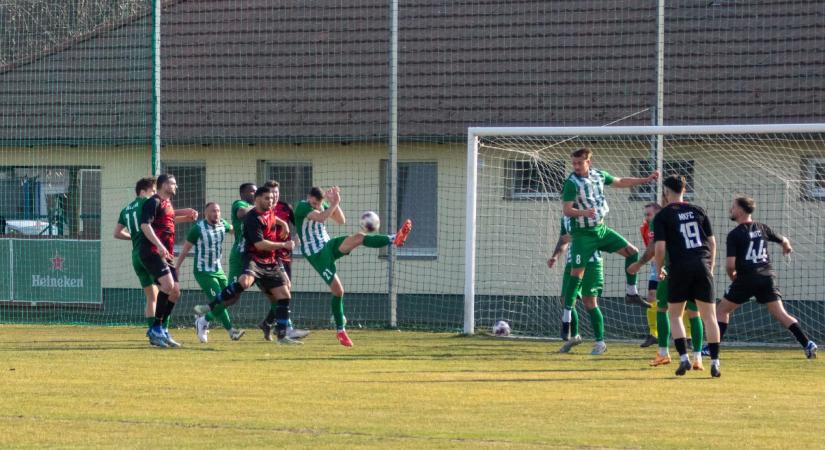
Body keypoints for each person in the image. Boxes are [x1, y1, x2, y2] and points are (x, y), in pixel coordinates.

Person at [294, 186, 412, 347]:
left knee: (359, 237)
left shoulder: (322, 206)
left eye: (317, 203)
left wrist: (334, 202)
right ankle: (340, 331)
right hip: (316, 254)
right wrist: (333, 203)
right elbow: (321, 218)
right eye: (313, 203)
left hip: (328, 245)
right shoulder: (302, 206)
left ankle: (394, 239)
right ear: (308, 197)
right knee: (338, 291)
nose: (314, 205)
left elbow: (341, 220)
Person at [560, 147, 656, 332]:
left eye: (579, 163)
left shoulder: (599, 175)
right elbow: (567, 210)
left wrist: (646, 179)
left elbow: (621, 181)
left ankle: (631, 292)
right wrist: (583, 212)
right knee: (576, 274)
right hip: (583, 234)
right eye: (574, 163)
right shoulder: (571, 183)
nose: (576, 166)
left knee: (632, 252)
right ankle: (566, 317)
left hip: (601, 230)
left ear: (589, 162)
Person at [714, 196, 817, 359]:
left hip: (746, 278)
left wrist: (733, 277)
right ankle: (807, 343)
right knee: (781, 314)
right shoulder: (762, 228)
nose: (730, 210)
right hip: (767, 277)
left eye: (733, 207)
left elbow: (730, 265)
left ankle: (712, 349)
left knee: (721, 310)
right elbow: (784, 240)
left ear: (740, 210)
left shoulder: (735, 234)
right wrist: (787, 247)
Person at [194, 186, 299, 344]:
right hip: (245, 257)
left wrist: (283, 222)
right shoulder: (241, 206)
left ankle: (281, 330)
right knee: (236, 294)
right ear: (248, 195)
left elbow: (237, 225)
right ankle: (205, 317)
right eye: (252, 191)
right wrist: (283, 243)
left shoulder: (266, 212)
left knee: (281, 295)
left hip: (266, 259)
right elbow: (243, 215)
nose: (271, 200)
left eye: (272, 198)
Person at [653, 175, 721, 377]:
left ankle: (683, 359)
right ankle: (715, 363)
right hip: (702, 265)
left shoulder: (663, 215)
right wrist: (711, 266)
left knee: (674, 315)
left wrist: (659, 269)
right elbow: (712, 242)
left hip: (679, 267)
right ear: (684, 189)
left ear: (666, 191)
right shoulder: (698, 210)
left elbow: (659, 247)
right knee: (709, 317)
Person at [629, 202, 705, 369]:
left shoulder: (662, 219)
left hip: (672, 270)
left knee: (664, 309)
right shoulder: (694, 213)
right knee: (694, 312)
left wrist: (645, 265)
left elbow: (656, 248)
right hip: (696, 267)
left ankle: (664, 353)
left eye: (649, 214)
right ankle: (698, 358)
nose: (646, 218)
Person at [175, 202, 245, 343]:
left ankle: (203, 319)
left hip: (218, 270)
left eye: (218, 211)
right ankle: (230, 331)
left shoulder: (222, 224)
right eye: (213, 211)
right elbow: (185, 249)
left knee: (231, 297)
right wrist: (176, 267)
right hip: (203, 271)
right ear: (206, 213)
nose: (216, 213)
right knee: (220, 300)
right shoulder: (198, 228)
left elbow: (234, 230)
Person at [141, 173, 197, 348]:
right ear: (164, 185)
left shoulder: (167, 204)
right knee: (168, 285)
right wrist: (159, 245)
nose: (176, 187)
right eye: (173, 184)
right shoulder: (153, 201)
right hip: (153, 252)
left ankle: (162, 329)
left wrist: (187, 216)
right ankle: (156, 329)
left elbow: (168, 220)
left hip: (167, 254)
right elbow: (145, 225)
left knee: (175, 291)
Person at [259, 180, 309, 340]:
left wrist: (298, 237)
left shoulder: (285, 207)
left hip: (286, 255)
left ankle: (268, 323)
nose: (274, 196)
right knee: (285, 288)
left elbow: (299, 224)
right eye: (271, 193)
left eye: (276, 193)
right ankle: (286, 328)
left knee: (285, 291)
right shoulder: (263, 210)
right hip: (272, 255)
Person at [548, 216, 605, 355]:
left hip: (591, 262)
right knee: (566, 299)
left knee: (589, 301)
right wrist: (555, 256)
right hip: (572, 263)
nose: (564, 199)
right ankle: (574, 336)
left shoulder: (589, 215)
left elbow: (599, 234)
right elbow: (564, 239)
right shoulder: (565, 218)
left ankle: (600, 342)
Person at [114, 177, 159, 341]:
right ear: (143, 191)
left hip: (136, 256)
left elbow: (117, 233)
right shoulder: (146, 204)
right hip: (148, 253)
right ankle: (160, 331)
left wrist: (133, 237)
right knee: (167, 290)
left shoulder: (125, 209)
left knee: (151, 296)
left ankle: (153, 332)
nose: (155, 195)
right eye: (153, 191)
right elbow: (166, 217)